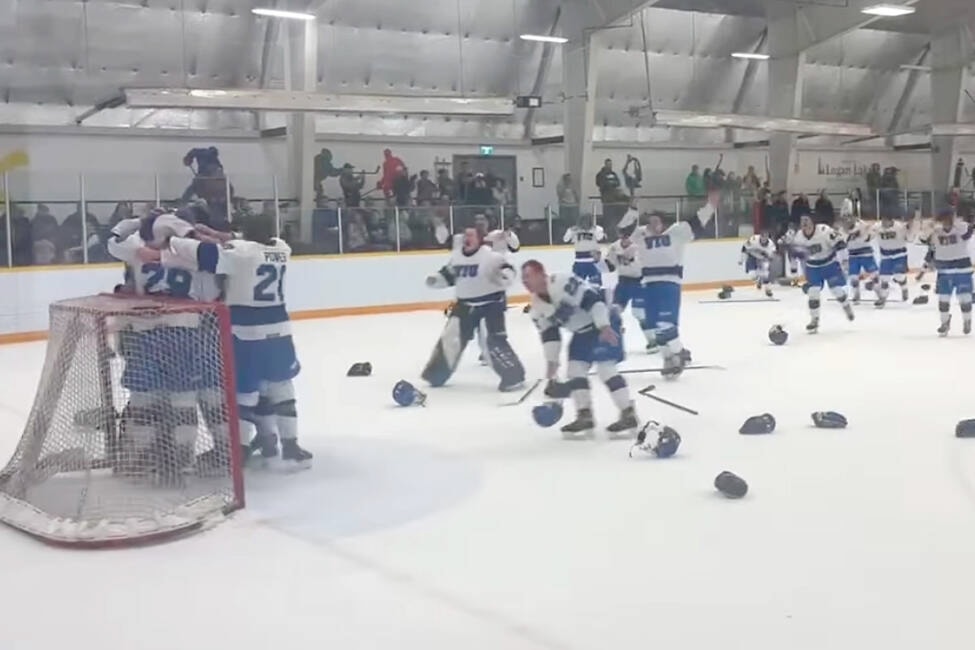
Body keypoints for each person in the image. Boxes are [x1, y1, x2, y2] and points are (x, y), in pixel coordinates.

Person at [146, 213, 313, 469]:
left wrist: (174, 239)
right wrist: (216, 234)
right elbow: (240, 242)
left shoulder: (238, 254)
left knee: (244, 391)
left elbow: (203, 253)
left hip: (246, 329)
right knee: (282, 385)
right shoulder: (282, 247)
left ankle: (241, 450)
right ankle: (290, 446)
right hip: (280, 327)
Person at [521, 259, 638, 440]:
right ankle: (585, 414)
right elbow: (550, 335)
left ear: (541, 274)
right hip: (582, 332)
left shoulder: (562, 281)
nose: (525, 281)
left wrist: (604, 326)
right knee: (575, 370)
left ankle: (628, 412)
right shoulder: (537, 308)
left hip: (603, 321)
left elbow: (593, 300)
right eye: (523, 278)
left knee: (606, 368)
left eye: (528, 276)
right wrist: (552, 363)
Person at [422, 227, 525, 391]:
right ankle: (436, 374)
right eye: (465, 235)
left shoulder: (490, 256)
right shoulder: (457, 257)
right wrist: (436, 280)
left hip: (490, 306)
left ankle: (513, 376)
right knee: (450, 339)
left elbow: (508, 271)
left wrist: (504, 278)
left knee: (491, 343)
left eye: (471, 235)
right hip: (464, 306)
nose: (466, 238)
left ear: (480, 239)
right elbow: (449, 275)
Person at [619, 211, 697, 377]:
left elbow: (697, 223)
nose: (653, 225)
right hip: (649, 284)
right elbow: (623, 232)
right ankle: (668, 357)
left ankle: (678, 352)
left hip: (669, 284)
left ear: (663, 224)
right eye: (650, 222)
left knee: (666, 324)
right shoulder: (640, 235)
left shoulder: (674, 235)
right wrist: (632, 212)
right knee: (654, 326)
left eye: (657, 222)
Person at [787, 215, 854, 333]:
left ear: (813, 221)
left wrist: (844, 262)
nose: (804, 223)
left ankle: (845, 304)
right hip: (813, 267)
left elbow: (840, 244)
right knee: (813, 293)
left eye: (807, 220)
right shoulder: (798, 237)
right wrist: (794, 272)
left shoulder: (824, 230)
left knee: (836, 290)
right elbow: (794, 255)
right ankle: (814, 320)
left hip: (830, 264)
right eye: (802, 221)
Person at [919, 209, 973, 336]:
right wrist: (931, 225)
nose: (946, 222)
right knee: (943, 299)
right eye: (943, 219)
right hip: (944, 269)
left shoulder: (961, 228)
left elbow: (968, 231)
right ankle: (944, 322)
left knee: (965, 298)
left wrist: (956, 221)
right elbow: (923, 239)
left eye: (949, 219)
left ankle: (967, 320)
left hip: (962, 269)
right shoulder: (935, 233)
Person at [604, 228, 656, 353]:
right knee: (614, 311)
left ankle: (652, 340)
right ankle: (613, 340)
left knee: (639, 313)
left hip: (639, 282)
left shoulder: (640, 246)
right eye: (623, 236)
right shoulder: (614, 247)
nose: (625, 239)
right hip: (623, 282)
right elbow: (609, 267)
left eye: (628, 236)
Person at [872, 215, 914, 308]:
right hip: (886, 256)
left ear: (891, 220)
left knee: (899, 276)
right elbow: (869, 235)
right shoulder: (877, 227)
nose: (883, 223)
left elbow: (910, 239)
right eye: (882, 220)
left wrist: (910, 227)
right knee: (884, 277)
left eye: (885, 220)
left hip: (899, 254)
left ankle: (904, 287)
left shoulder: (900, 227)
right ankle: (882, 298)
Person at [562, 213, 606, 287]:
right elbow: (565, 239)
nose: (585, 223)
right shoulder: (574, 230)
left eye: (587, 221)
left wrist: (596, 230)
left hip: (593, 261)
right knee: (576, 286)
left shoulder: (596, 229)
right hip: (579, 261)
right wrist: (570, 231)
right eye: (583, 221)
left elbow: (600, 238)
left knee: (596, 285)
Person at [842, 215, 879, 304]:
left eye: (849, 218)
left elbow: (871, 234)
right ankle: (856, 295)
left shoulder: (862, 225)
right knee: (853, 277)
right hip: (853, 256)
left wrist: (866, 233)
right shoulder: (843, 231)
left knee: (874, 275)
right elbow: (842, 244)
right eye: (845, 219)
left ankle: (880, 294)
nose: (848, 221)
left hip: (866, 254)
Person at [739, 232, 776, 298]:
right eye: (762, 238)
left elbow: (771, 257)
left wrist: (768, 257)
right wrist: (742, 259)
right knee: (752, 275)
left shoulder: (771, 245)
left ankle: (768, 290)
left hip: (763, 259)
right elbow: (744, 248)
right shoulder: (753, 239)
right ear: (760, 237)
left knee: (765, 274)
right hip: (752, 256)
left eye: (765, 238)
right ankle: (758, 281)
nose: (764, 240)